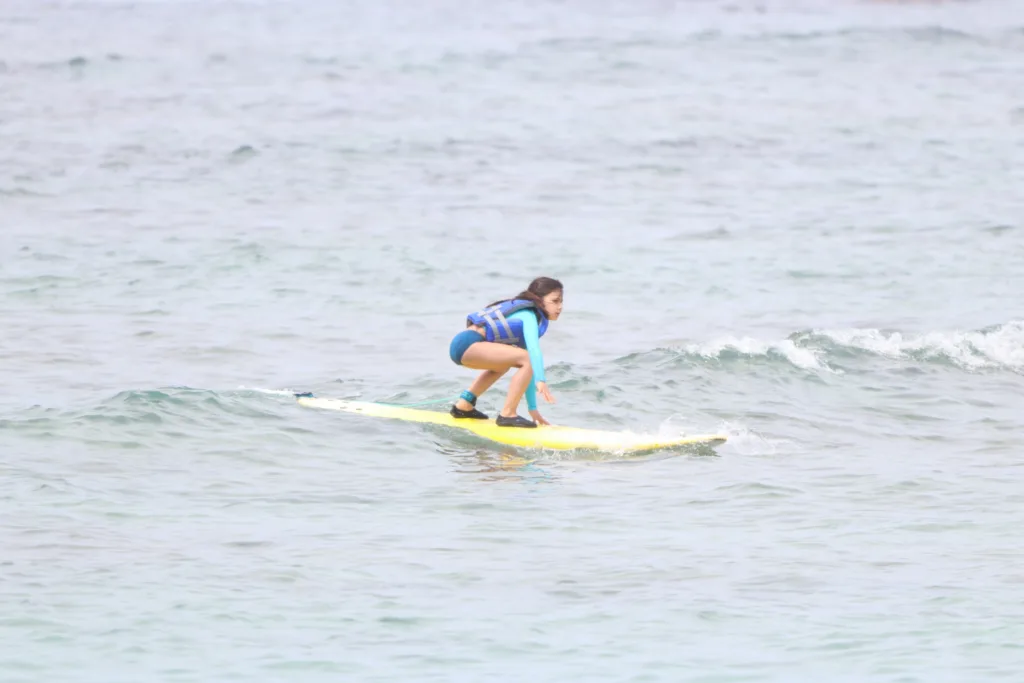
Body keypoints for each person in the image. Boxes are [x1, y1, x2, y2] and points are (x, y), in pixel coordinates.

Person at [448, 277, 563, 428]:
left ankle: (464, 405)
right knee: (527, 359)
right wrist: (541, 380)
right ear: (539, 300)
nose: (560, 307)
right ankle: (508, 414)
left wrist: (533, 410)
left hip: (463, 344)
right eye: (555, 301)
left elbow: (528, 368)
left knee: (506, 365)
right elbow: (533, 353)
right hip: (468, 343)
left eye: (561, 301)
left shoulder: (526, 315)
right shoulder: (528, 315)